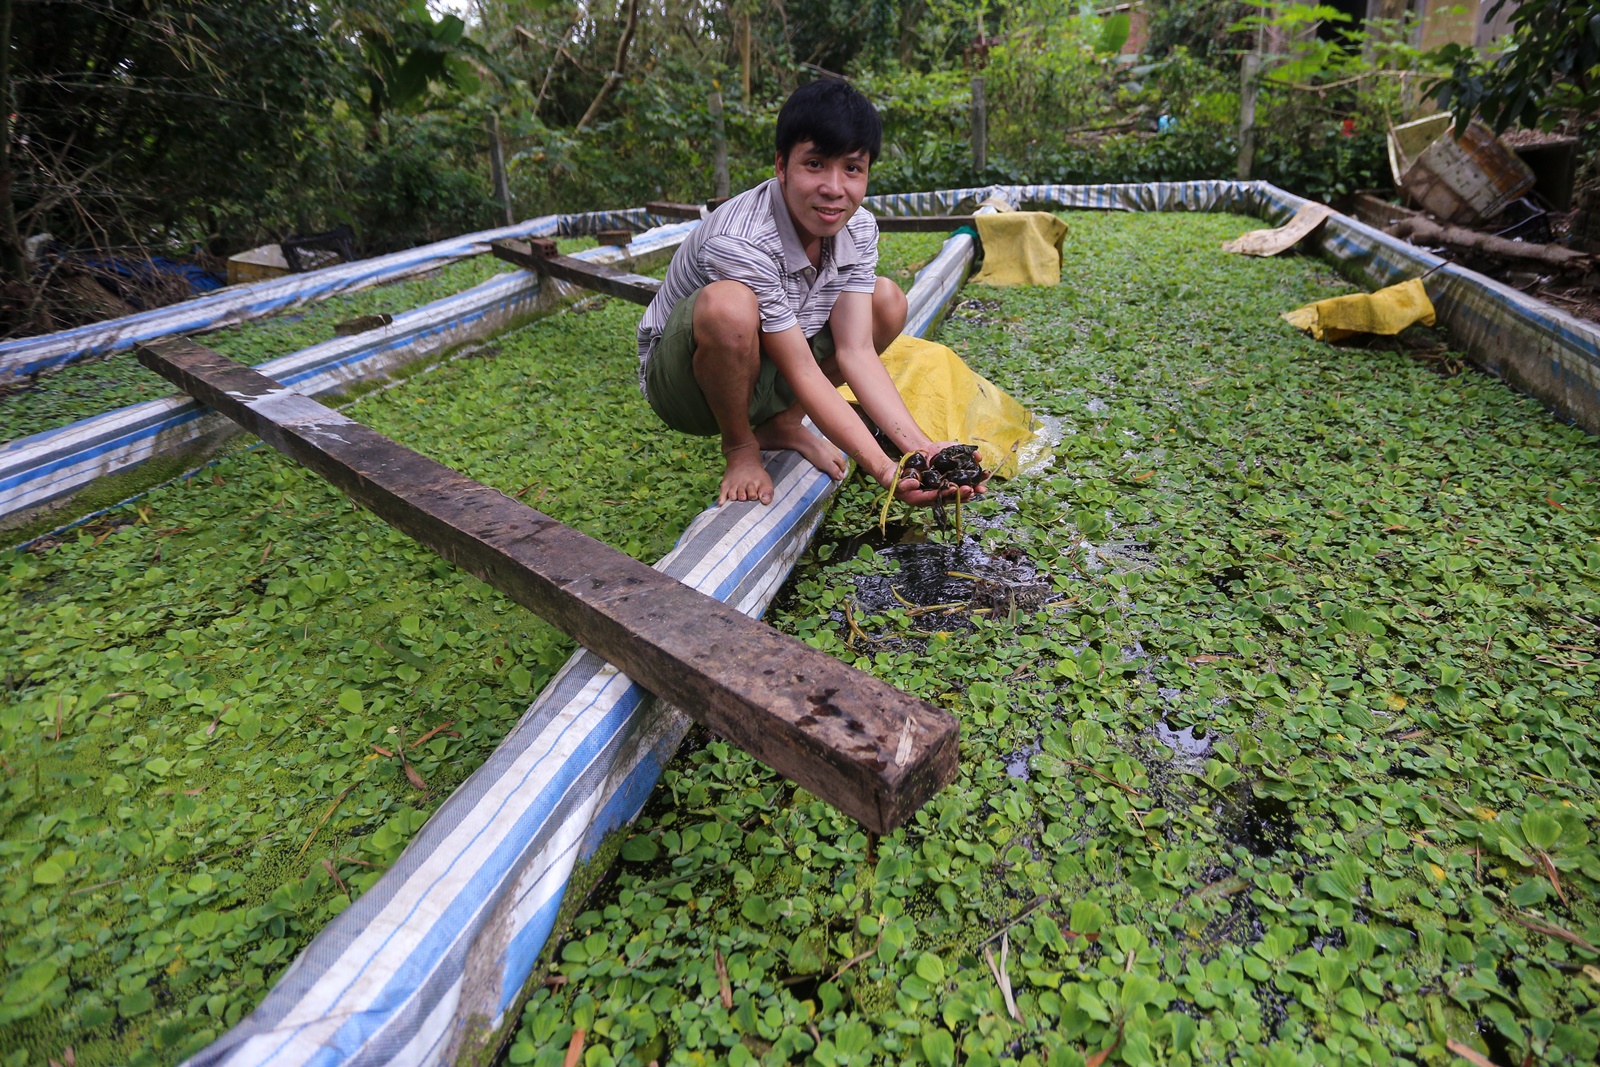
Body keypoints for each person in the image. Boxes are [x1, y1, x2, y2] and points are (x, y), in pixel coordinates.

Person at [635, 79, 984, 508]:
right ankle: (741, 446)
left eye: (852, 169)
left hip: (770, 358)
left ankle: (783, 422)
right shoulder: (741, 238)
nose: (834, 188)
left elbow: (856, 351)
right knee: (729, 306)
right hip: (686, 385)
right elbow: (801, 367)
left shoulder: (858, 226)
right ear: (782, 166)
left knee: (887, 301)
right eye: (815, 164)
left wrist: (919, 452)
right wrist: (882, 469)